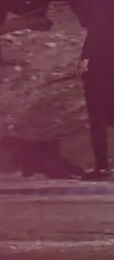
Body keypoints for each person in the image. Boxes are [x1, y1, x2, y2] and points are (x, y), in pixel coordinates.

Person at [76, 0, 113, 180]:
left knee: (97, 116)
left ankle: (103, 167)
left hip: (100, 63)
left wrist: (85, 57)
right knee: (109, 113)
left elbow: (95, 29)